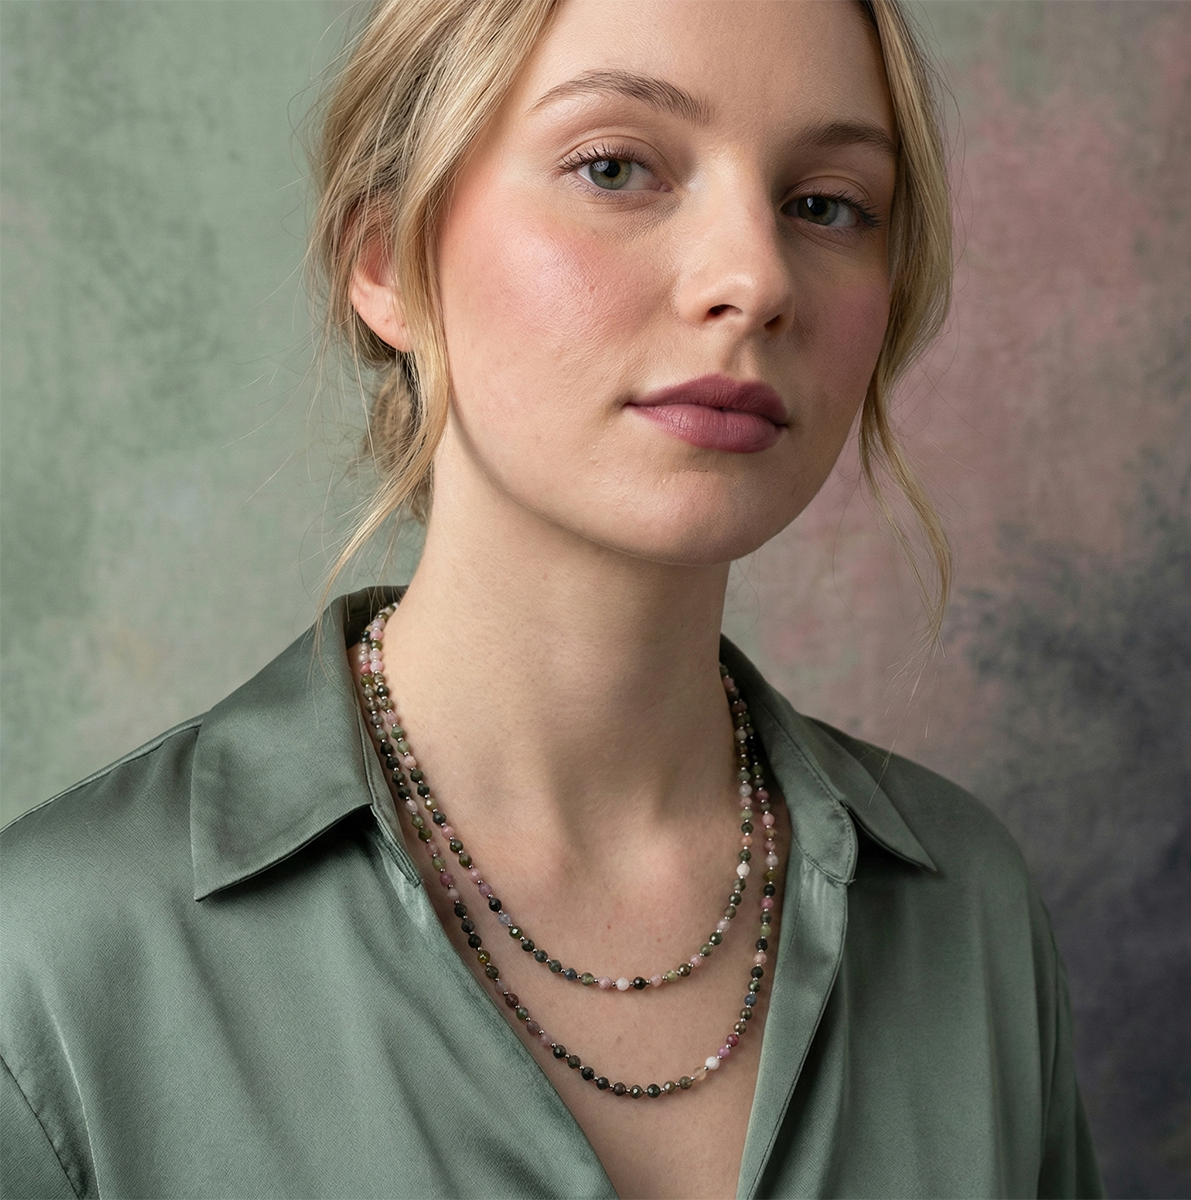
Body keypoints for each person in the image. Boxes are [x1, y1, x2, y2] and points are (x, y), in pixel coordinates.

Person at [0, 0, 1106, 1196]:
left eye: (826, 203)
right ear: (387, 261)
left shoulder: (969, 908)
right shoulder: (58, 963)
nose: (755, 278)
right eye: (615, 167)